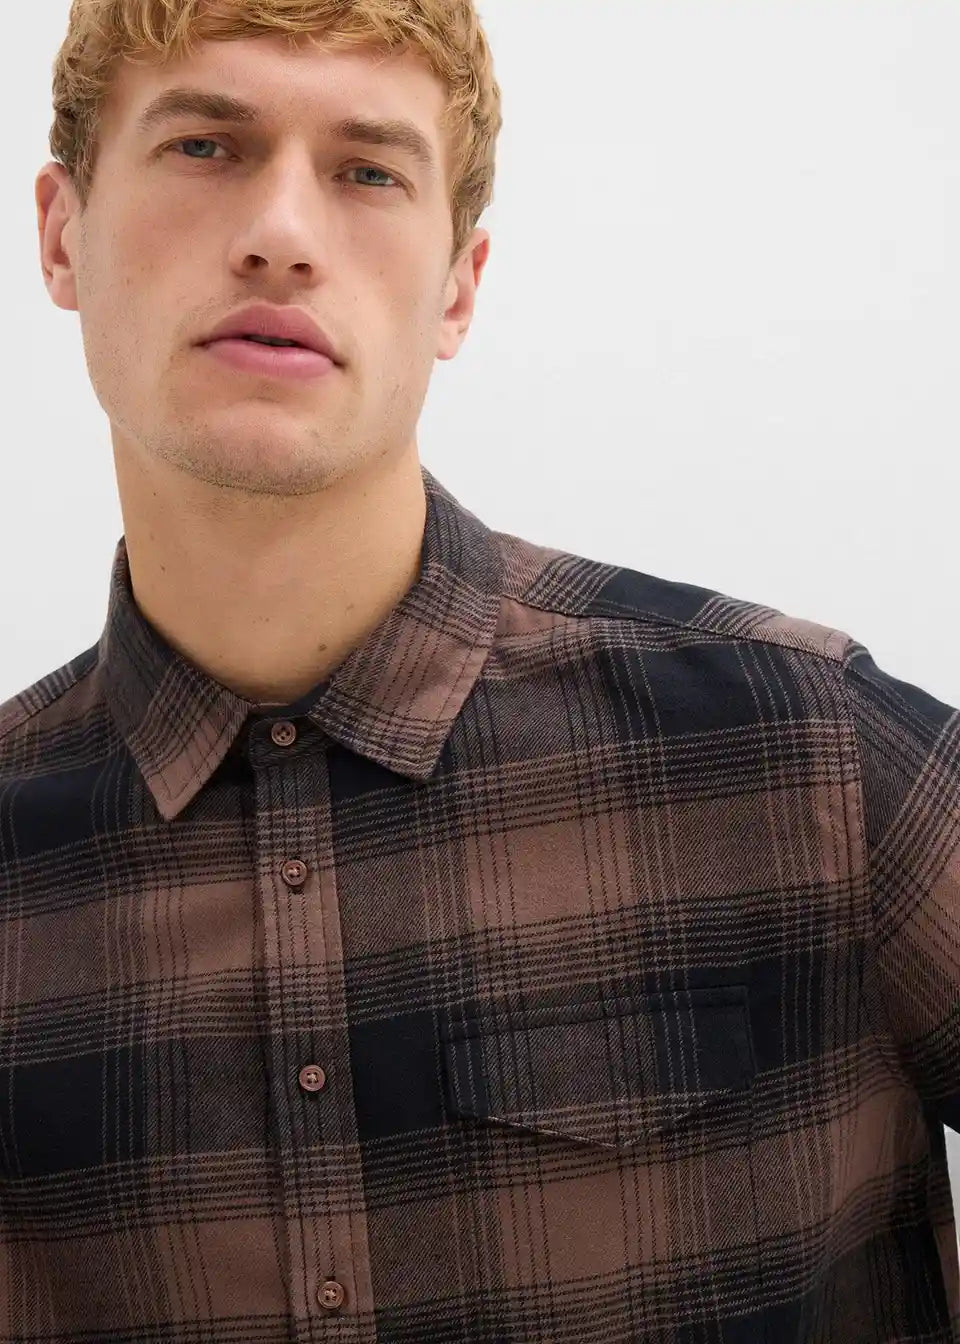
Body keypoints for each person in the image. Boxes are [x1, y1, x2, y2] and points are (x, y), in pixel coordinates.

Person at [0, 0, 955, 1339]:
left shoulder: (806, 748)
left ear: (457, 286)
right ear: (62, 236)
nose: (281, 231)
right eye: (206, 145)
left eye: (367, 171)